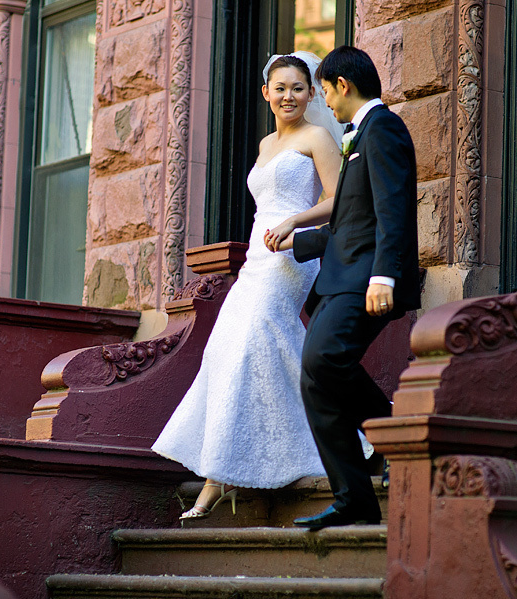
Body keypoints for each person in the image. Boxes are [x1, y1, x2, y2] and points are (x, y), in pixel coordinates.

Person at [151, 52, 344, 520]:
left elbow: (340, 200)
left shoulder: (318, 137)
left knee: (252, 343)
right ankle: (237, 467)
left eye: (298, 88)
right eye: (280, 88)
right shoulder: (263, 145)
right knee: (226, 350)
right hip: (258, 259)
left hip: (291, 256)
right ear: (266, 94)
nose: (289, 96)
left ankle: (216, 482)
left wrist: (296, 223)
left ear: (312, 93)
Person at [266, 46, 423, 529]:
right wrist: (299, 242)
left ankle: (393, 430)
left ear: (342, 85)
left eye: (325, 90)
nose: (325, 104)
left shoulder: (385, 129)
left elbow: (394, 210)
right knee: (315, 378)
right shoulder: (360, 136)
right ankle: (354, 498)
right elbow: (354, 218)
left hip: (366, 281)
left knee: (321, 360)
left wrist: (385, 275)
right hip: (343, 277)